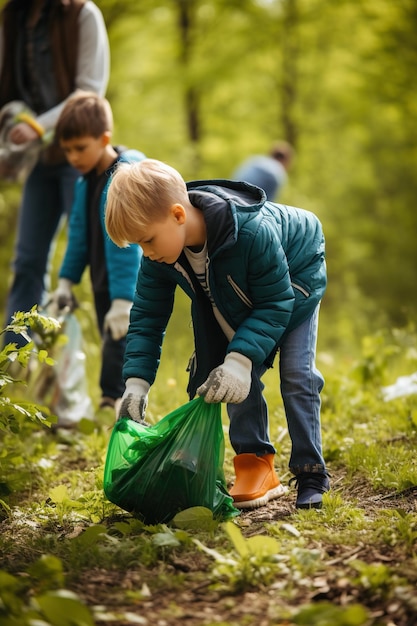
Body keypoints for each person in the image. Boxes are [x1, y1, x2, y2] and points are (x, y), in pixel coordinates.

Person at [104, 158, 330, 510]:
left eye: (147, 240)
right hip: (240, 293)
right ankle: (255, 464)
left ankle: (311, 472)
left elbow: (275, 302)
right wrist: (135, 384)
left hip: (296, 275)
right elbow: (147, 317)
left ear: (179, 215)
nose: (145, 253)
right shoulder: (158, 258)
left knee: (296, 373)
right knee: (221, 370)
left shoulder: (250, 232)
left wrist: (241, 361)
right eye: (138, 245)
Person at [0, 0, 110, 347]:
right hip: (37, 160)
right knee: (28, 260)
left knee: (99, 257)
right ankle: (14, 364)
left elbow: (90, 90)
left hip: (81, 157)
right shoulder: (12, 16)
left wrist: (39, 126)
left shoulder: (82, 14)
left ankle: (115, 371)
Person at [49, 91, 145, 415]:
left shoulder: (125, 173)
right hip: (103, 277)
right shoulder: (84, 182)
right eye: (67, 150)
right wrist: (65, 281)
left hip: (131, 283)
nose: (74, 157)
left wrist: (124, 298)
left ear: (104, 137)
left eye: (80, 148)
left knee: (127, 341)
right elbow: (78, 234)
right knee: (110, 337)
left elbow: (127, 244)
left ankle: (123, 402)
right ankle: (110, 399)